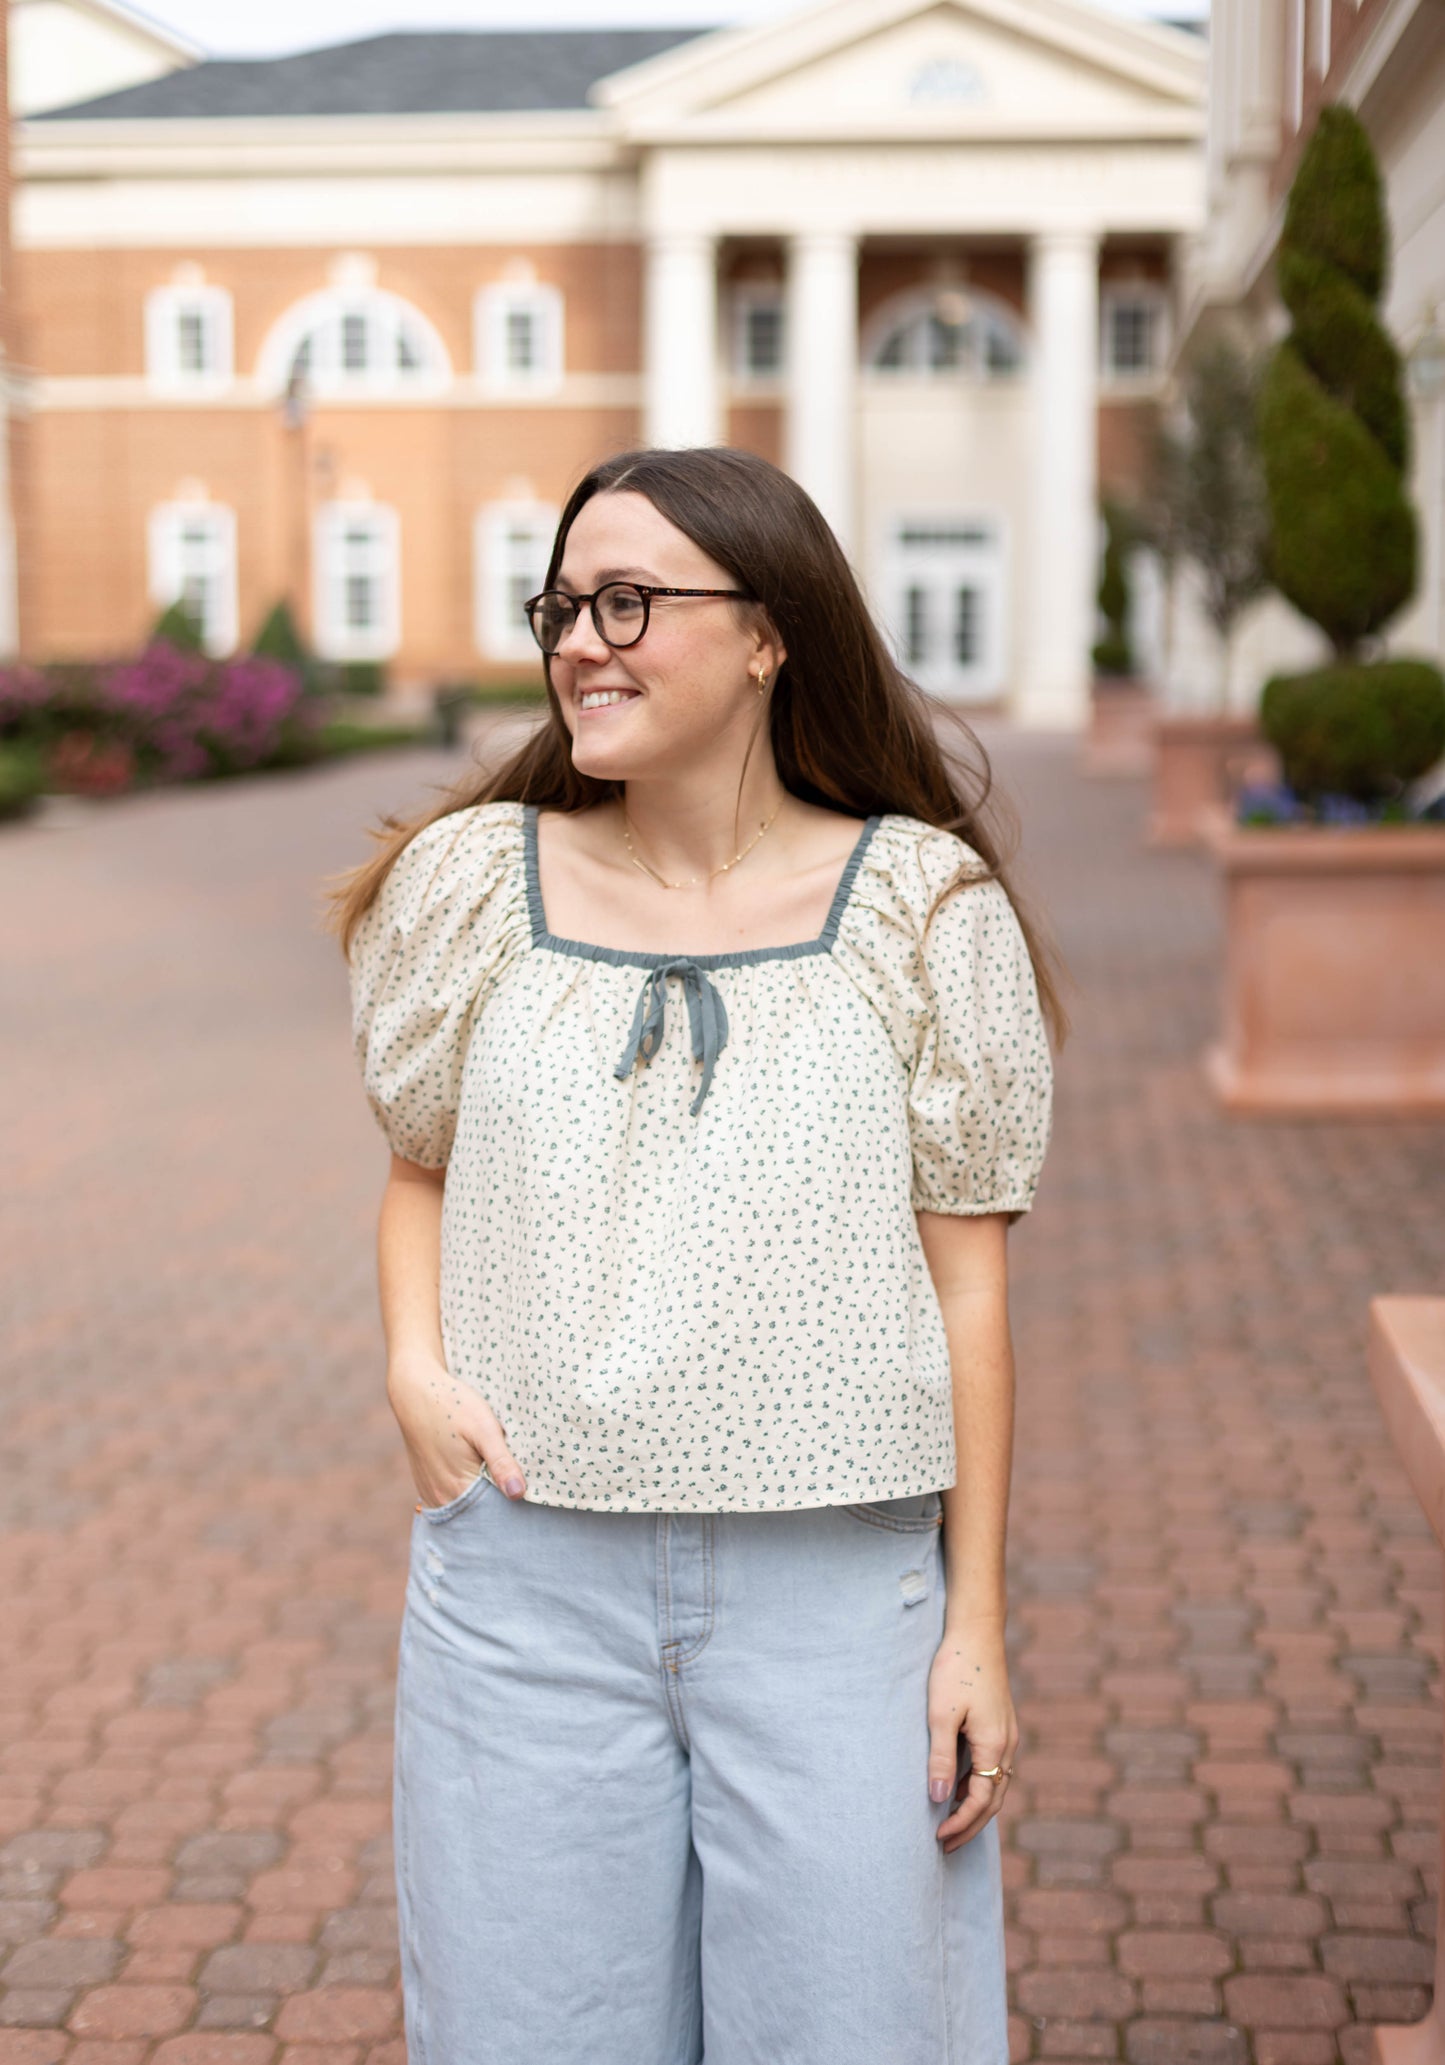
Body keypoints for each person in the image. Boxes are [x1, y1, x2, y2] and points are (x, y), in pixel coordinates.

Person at [328, 444, 1067, 2064]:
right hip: (522, 1578)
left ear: (766, 633)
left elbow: (969, 1288)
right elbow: (416, 1168)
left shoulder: (919, 912)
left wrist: (975, 1620)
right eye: (564, 604)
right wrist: (413, 1376)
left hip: (833, 1588)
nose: (581, 640)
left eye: (629, 600)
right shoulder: (474, 884)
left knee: (855, 2033)